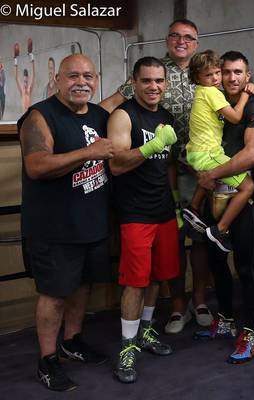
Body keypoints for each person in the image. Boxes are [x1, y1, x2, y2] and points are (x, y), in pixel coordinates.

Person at [100, 19, 214, 335]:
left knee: (201, 239)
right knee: (173, 243)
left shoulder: (206, 72)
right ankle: (177, 304)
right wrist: (74, 127)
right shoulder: (152, 70)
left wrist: (249, 87)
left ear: (197, 42)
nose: (181, 41)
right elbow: (109, 106)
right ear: (167, 40)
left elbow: (233, 94)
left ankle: (199, 300)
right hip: (165, 171)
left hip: (204, 170)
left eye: (188, 37)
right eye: (175, 35)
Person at [18, 54, 113, 391]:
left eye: (88, 76)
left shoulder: (100, 115)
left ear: (96, 80)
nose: (81, 82)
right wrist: (89, 152)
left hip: (92, 223)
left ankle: (72, 341)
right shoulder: (39, 116)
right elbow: (37, 166)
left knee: (83, 286)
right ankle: (47, 359)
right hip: (53, 228)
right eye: (73, 76)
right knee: (55, 295)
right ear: (57, 79)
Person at [108, 56, 179, 383]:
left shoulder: (166, 116)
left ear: (166, 84)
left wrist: (175, 202)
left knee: (156, 276)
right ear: (134, 83)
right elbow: (117, 164)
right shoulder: (124, 115)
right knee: (135, 281)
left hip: (163, 209)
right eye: (147, 80)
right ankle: (127, 347)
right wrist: (152, 145)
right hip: (135, 212)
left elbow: (167, 165)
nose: (153, 86)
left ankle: (146, 332)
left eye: (159, 81)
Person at [194, 51, 254, 363]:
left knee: (246, 267)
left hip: (239, 199)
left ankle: (251, 334)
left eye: (238, 72)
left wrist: (211, 174)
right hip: (214, 195)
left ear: (247, 76)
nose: (232, 77)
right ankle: (225, 320)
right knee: (217, 263)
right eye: (226, 72)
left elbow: (251, 154)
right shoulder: (216, 101)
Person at [181, 49, 254, 253]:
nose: (215, 78)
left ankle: (193, 208)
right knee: (248, 187)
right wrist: (245, 95)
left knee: (210, 178)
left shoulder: (201, 92)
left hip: (197, 152)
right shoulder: (212, 93)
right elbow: (235, 117)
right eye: (208, 75)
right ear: (197, 78)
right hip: (208, 153)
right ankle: (219, 230)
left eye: (217, 73)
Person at [15, 39, 36, 113]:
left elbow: (34, 75)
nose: (25, 84)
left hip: (29, 114)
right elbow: (16, 78)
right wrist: (15, 61)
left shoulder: (29, 89)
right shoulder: (22, 91)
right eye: (24, 81)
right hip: (23, 115)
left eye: (26, 81)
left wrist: (32, 57)